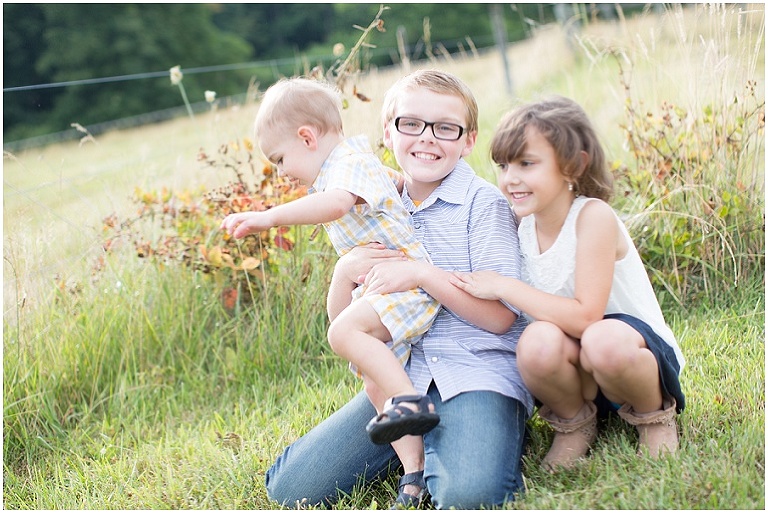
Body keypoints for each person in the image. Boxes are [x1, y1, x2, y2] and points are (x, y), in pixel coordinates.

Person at [264, 69, 533, 510]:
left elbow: (503, 318)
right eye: (410, 123)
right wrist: (343, 272)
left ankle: (482, 433)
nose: (427, 138)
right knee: (293, 490)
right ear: (387, 133)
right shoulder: (372, 204)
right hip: (402, 383)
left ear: (468, 141)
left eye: (446, 128)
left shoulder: (483, 206)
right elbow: (345, 325)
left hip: (475, 372)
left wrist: (422, 274)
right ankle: (426, 449)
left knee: (469, 495)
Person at [450, 96, 686, 471]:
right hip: (577, 370)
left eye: (526, 164)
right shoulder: (519, 222)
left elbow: (587, 317)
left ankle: (653, 415)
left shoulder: (593, 217)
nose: (510, 178)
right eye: (503, 165)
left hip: (630, 356)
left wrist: (503, 286)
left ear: (573, 165)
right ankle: (576, 423)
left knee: (601, 339)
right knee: (534, 343)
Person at [220, 77, 442, 471]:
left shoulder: (348, 166)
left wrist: (269, 218)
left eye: (279, 159)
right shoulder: (352, 165)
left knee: (343, 334)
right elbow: (393, 183)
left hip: (406, 287)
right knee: (373, 381)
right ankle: (414, 468)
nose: (281, 172)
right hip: (382, 291)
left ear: (307, 138)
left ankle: (411, 400)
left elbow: (337, 204)